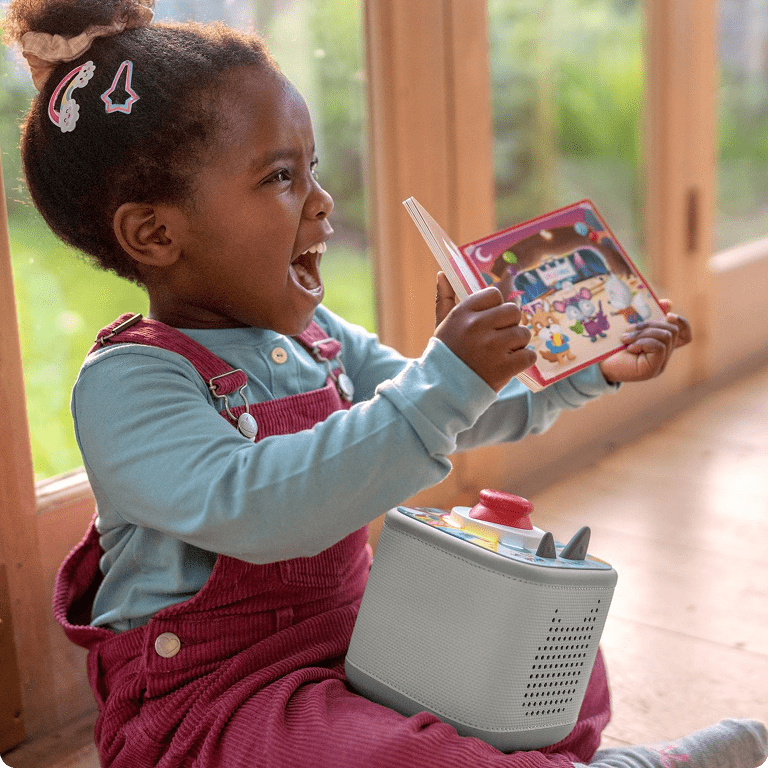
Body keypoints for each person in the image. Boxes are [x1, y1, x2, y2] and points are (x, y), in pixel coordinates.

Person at [5, 2, 766, 767]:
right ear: (157, 233)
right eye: (280, 177)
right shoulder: (131, 381)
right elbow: (261, 509)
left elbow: (454, 413)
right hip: (219, 703)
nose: (322, 200)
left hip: (358, 647)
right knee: (390, 757)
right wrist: (446, 380)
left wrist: (580, 373)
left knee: (553, 642)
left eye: (312, 169)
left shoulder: (320, 338)